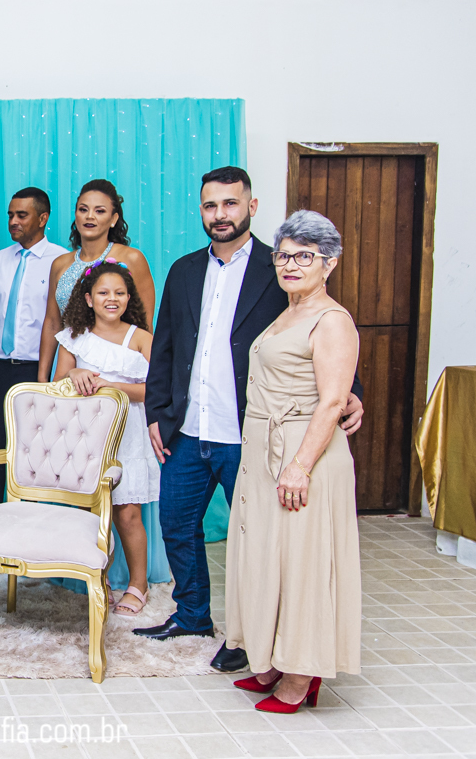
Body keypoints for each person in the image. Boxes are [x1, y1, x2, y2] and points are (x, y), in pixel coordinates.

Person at [135, 167, 363, 673]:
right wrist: (156, 412)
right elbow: (165, 346)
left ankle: (246, 636)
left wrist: (354, 393)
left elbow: (323, 329)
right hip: (187, 430)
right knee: (176, 525)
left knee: (255, 541)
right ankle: (192, 615)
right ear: (201, 211)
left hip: (252, 434)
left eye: (230, 204)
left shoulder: (279, 265)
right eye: (210, 205)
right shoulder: (183, 270)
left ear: (251, 207)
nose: (220, 214)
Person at [226, 211, 360, 713]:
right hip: (267, 451)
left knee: (303, 564)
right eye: (283, 255)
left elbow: (333, 400)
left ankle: (302, 675)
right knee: (271, 558)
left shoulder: (332, 320)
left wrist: (300, 465)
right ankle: (274, 659)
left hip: (306, 455)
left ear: (330, 263)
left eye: (305, 256)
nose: (290, 264)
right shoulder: (286, 313)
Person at [54, 259, 159, 615]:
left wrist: (113, 386)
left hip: (128, 434)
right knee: (91, 513)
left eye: (119, 293)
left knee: (127, 513)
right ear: (88, 299)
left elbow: (157, 389)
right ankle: (99, 579)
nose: (111, 299)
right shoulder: (72, 338)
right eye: (103, 293)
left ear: (129, 298)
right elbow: (57, 384)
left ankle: (138, 584)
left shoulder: (141, 338)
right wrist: (74, 375)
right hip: (85, 436)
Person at [0, 187, 67, 512]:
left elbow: (69, 324)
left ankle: (32, 532)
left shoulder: (62, 261)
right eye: (10, 215)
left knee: (37, 458)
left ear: (43, 219)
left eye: (22, 215)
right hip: (0, 370)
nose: (13, 222)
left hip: (40, 372)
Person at [38, 179, 155, 383]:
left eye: (99, 211)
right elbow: (53, 323)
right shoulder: (60, 264)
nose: (90, 216)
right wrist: (42, 379)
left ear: (113, 218)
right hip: (71, 364)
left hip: (117, 368)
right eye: (83, 209)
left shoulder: (132, 258)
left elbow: (144, 323)